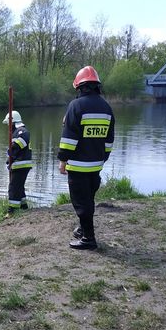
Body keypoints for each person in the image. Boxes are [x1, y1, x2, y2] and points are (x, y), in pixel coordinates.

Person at [57, 65, 115, 250]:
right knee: (88, 200)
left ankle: (88, 239)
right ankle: (83, 229)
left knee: (81, 203)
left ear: (79, 87)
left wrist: (63, 160)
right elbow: (109, 139)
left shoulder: (75, 106)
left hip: (78, 166)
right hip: (96, 165)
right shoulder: (106, 107)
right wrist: (102, 158)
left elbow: (69, 139)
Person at [2, 110, 33, 214]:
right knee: (19, 186)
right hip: (19, 163)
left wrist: (11, 154)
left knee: (13, 187)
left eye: (8, 124)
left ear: (13, 122)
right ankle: (24, 207)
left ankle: (12, 210)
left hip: (21, 164)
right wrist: (10, 159)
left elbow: (18, 146)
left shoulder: (22, 131)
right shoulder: (18, 131)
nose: (7, 126)